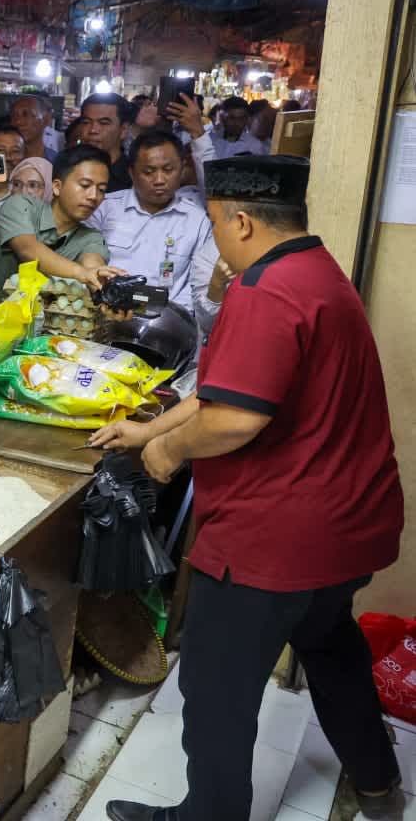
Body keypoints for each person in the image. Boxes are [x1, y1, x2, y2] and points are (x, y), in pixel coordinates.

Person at [91, 156, 405, 821]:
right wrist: (147, 431)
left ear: (240, 221)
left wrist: (168, 451)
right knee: (331, 647)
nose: (216, 242)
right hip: (347, 525)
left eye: (214, 226)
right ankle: (379, 784)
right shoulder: (317, 271)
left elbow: (235, 418)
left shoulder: (265, 291)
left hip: (276, 537)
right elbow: (221, 388)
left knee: (216, 687)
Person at [87, 130, 228, 328]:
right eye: (148, 172)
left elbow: (196, 288)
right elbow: (85, 261)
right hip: (103, 318)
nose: (159, 179)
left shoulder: (196, 220)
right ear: (132, 172)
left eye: (168, 170)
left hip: (164, 328)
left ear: (182, 168)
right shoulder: (104, 208)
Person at [0, 145, 121, 307]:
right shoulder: (20, 205)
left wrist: (106, 291)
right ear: (57, 187)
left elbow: (93, 264)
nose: (93, 196)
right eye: (85, 185)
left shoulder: (91, 237)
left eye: (101, 190)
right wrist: (82, 273)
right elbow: (28, 249)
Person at [75, 92, 135, 193]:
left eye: (103, 123)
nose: (93, 130)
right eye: (86, 122)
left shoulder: (134, 177)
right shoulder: (67, 170)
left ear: (123, 130)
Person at [9, 94, 56, 164]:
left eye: (26, 114)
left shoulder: (57, 162)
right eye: (14, 116)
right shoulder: (6, 160)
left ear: (46, 120)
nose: (18, 121)